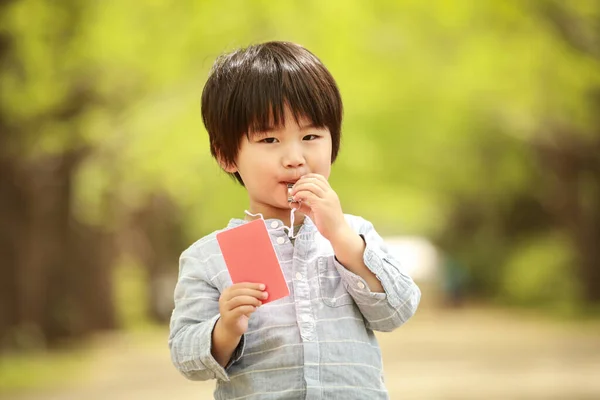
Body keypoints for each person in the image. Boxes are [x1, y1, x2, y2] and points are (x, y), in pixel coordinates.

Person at [168, 41, 421, 400]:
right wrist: (225, 330)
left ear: (333, 142)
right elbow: (184, 355)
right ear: (227, 155)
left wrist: (342, 238)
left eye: (311, 136)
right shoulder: (209, 257)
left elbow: (398, 311)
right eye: (270, 138)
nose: (294, 157)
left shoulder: (355, 234)